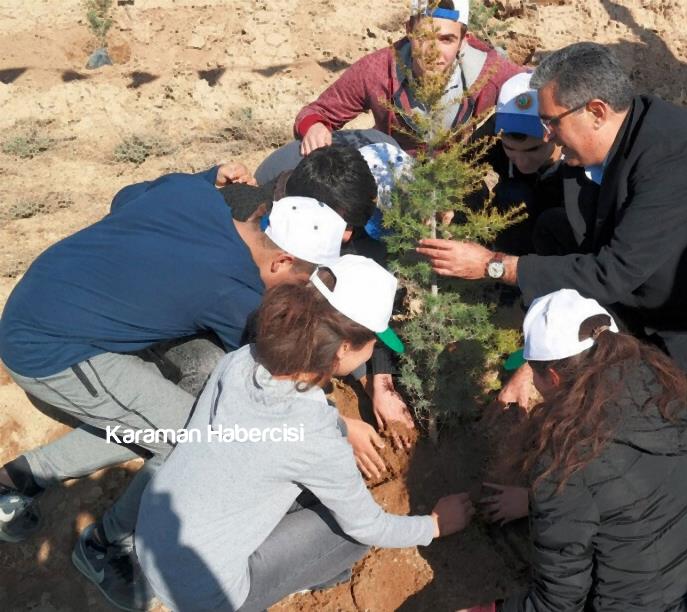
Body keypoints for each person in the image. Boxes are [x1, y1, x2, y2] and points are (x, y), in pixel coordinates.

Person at [0, 162, 349, 609]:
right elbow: (271, 375)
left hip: (40, 299)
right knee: (191, 443)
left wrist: (214, 174)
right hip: (52, 353)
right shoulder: (233, 292)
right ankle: (106, 547)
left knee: (152, 420)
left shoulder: (195, 193)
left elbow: (125, 196)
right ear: (281, 260)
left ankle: (19, 478)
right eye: (301, 281)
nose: (300, 293)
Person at [417, 42, 687, 433]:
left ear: (596, 111)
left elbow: (611, 274)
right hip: (653, 284)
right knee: (552, 230)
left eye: (551, 122)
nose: (546, 133)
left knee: (624, 415)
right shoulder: (616, 135)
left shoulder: (673, 161)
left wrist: (492, 265)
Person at [135, 255, 474, 611]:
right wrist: (434, 525)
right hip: (208, 594)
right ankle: (300, 579)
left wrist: (341, 425)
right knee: (349, 538)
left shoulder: (244, 359)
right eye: (374, 341)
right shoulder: (314, 439)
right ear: (345, 348)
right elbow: (368, 527)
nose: (375, 349)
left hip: (153, 536)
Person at [467, 289, 687, 611]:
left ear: (553, 377)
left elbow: (556, 604)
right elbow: (630, 484)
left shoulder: (565, 459)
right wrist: (539, 501)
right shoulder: (660, 387)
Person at [255, 142, 419, 458]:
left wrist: (380, 383)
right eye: (344, 226)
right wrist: (336, 423)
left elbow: (363, 304)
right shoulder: (266, 228)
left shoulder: (353, 186)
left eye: (354, 226)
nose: (348, 237)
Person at [292, 0, 523, 157]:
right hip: (390, 170)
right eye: (424, 36)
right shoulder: (379, 68)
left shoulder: (487, 71)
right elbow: (316, 112)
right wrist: (315, 127)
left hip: (456, 174)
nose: (433, 52)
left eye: (446, 40)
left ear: (464, 40)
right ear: (409, 31)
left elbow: (537, 86)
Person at [482, 71, 564, 255]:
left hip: (560, 250)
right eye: (510, 148)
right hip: (517, 241)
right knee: (513, 194)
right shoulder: (493, 145)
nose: (522, 161)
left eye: (533, 149)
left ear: (555, 133)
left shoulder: (579, 163)